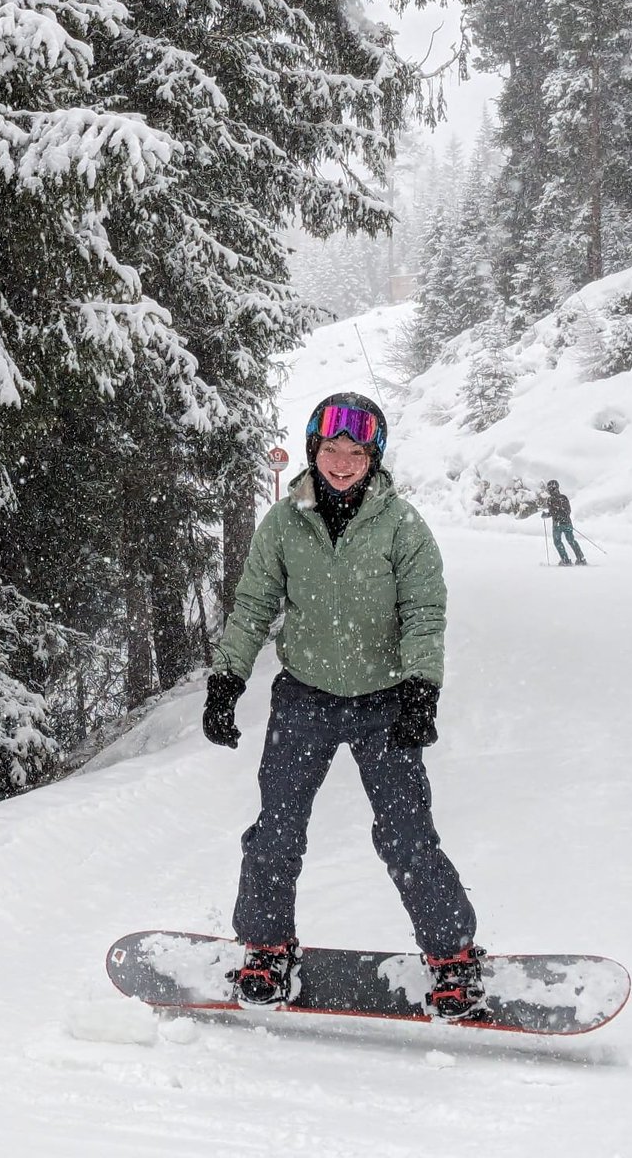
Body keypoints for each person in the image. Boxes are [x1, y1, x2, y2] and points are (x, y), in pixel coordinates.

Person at [202, 392, 484, 1019]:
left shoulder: (402, 525)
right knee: (276, 829)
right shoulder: (283, 522)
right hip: (304, 696)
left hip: (384, 702)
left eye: (357, 452)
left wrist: (420, 689)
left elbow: (423, 612)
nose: (342, 462)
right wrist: (228, 680)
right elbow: (253, 607)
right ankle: (267, 947)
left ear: (374, 457)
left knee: (407, 833)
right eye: (331, 449)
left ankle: (452, 957)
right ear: (313, 450)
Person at [542, 480, 586, 566]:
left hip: (557, 524)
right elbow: (568, 510)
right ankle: (581, 558)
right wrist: (563, 517)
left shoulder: (550, 500)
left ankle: (565, 560)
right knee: (571, 540)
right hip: (567, 523)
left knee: (557, 542)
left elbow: (552, 512)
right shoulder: (564, 497)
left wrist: (546, 515)